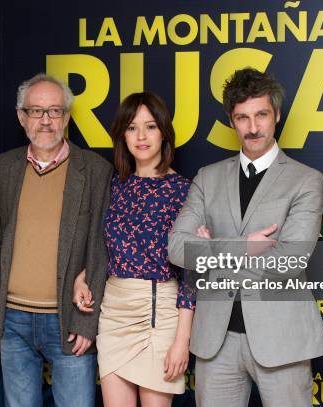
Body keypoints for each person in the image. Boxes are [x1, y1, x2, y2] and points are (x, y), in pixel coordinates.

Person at [168, 68, 323, 407]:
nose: (253, 127)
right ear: (232, 121)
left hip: (282, 339)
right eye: (242, 117)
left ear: (277, 115)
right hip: (216, 340)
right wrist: (245, 247)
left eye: (261, 115)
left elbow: (289, 261)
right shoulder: (207, 177)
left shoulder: (306, 180)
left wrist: (211, 250)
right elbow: (177, 249)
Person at [0, 73, 112, 407]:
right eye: (36, 112)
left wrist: (87, 321)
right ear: (22, 117)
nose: (46, 120)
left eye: (54, 111)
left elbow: (100, 247)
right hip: (12, 321)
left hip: (67, 320)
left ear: (66, 117)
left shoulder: (94, 169)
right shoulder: (6, 166)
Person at [74, 91, 195, 407]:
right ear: (121, 135)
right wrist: (82, 277)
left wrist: (182, 340)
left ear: (164, 133)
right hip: (114, 312)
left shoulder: (184, 191)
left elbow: (193, 273)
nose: (141, 136)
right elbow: (107, 249)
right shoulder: (113, 185)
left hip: (160, 314)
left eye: (150, 126)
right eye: (131, 127)